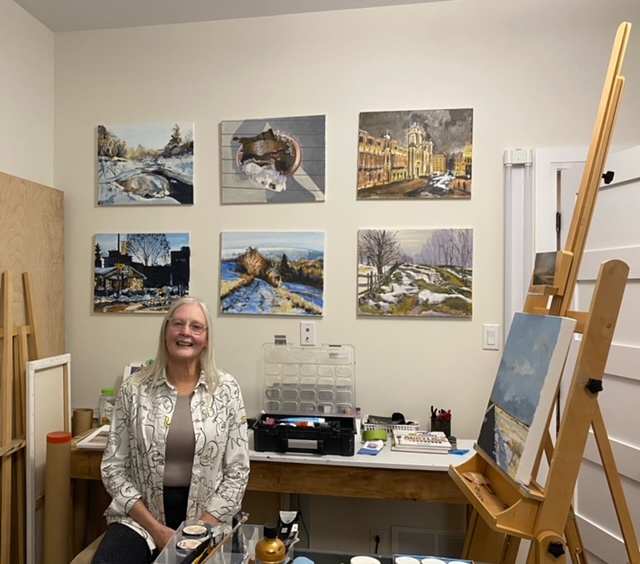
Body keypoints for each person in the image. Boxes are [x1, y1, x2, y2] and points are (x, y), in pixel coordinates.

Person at [92, 297, 250, 563]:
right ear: (166, 331)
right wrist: (155, 529)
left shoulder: (226, 390)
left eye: (196, 327)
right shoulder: (134, 389)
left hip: (209, 520)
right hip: (140, 519)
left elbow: (238, 471)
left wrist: (201, 528)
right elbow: (113, 469)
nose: (186, 332)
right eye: (178, 324)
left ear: (207, 338)